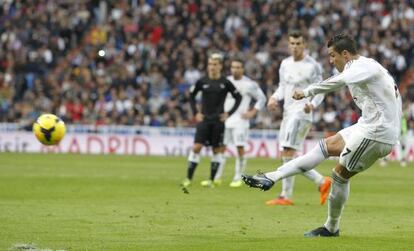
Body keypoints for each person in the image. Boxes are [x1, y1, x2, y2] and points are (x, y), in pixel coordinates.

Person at [242, 34, 402, 237]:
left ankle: (331, 228)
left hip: (377, 132)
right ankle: (271, 177)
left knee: (339, 175)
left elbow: (338, 82)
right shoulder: (370, 66)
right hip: (369, 125)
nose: (330, 60)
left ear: (345, 54)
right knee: (325, 146)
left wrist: (307, 92)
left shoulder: (358, 67)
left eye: (332, 55)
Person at [266, 30, 331, 206]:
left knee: (288, 152)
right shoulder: (285, 64)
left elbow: (321, 88)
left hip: (302, 112)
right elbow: (282, 86)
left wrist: (313, 104)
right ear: (289, 45)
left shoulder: (313, 65)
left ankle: (287, 195)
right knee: (287, 154)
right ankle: (319, 182)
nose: (295, 47)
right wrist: (274, 97)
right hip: (288, 113)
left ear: (304, 45)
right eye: (292, 44)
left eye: (298, 44)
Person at [182, 53, 242, 188]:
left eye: (215, 64)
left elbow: (238, 97)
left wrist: (229, 113)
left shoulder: (225, 83)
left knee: (217, 150)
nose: (212, 67)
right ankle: (188, 178)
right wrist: (195, 113)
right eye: (210, 64)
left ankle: (211, 180)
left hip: (218, 121)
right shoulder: (202, 81)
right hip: (204, 120)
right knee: (197, 147)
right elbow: (191, 96)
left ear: (220, 66)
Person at [210, 58, 267, 188]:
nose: (235, 69)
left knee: (239, 148)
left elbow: (262, 98)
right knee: (221, 148)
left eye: (238, 67)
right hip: (225, 120)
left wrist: (253, 112)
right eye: (233, 67)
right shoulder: (226, 81)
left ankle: (238, 177)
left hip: (241, 121)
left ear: (242, 69)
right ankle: (217, 177)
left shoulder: (249, 84)